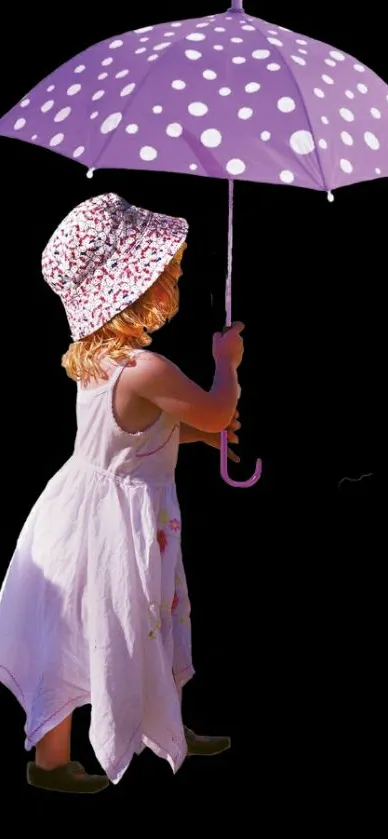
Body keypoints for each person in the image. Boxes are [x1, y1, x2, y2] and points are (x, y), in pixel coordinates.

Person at [0, 193, 244, 794]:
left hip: (78, 513)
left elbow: (132, 435)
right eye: (172, 272)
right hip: (120, 526)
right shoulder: (146, 368)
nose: (180, 278)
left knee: (80, 627)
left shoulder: (98, 361)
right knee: (132, 620)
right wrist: (228, 364)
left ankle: (154, 731)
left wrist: (190, 438)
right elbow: (216, 411)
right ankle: (62, 763)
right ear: (139, 289)